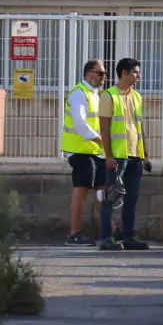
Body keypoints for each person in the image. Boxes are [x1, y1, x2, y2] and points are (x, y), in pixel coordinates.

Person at [97, 57, 151, 251]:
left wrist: (145, 155)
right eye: (135, 72)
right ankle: (106, 238)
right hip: (118, 157)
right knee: (111, 197)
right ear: (124, 73)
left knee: (132, 198)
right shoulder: (108, 96)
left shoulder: (136, 96)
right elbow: (104, 129)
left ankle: (129, 236)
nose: (138, 76)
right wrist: (109, 156)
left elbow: (139, 126)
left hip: (135, 156)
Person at [61, 59, 107, 246]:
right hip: (80, 151)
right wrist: (97, 138)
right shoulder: (79, 93)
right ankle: (74, 233)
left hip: (96, 151)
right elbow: (80, 122)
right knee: (81, 190)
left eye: (104, 74)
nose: (103, 77)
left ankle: (107, 231)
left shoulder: (94, 94)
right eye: (100, 73)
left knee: (102, 192)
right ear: (89, 73)